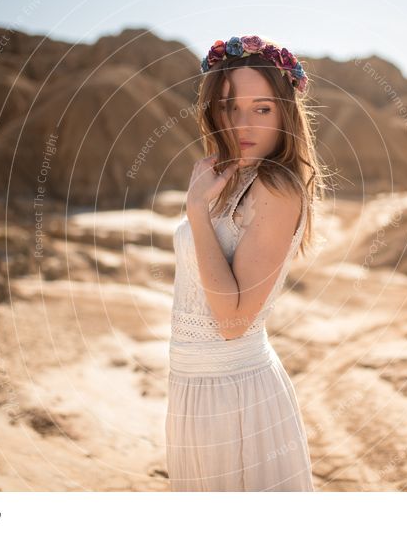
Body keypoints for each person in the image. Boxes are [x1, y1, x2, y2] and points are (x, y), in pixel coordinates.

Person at [166, 35, 327, 491]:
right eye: (229, 107)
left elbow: (234, 322)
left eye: (261, 108)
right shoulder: (226, 175)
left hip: (234, 393)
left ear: (285, 112)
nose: (243, 124)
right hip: (192, 386)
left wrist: (196, 211)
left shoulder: (276, 187)